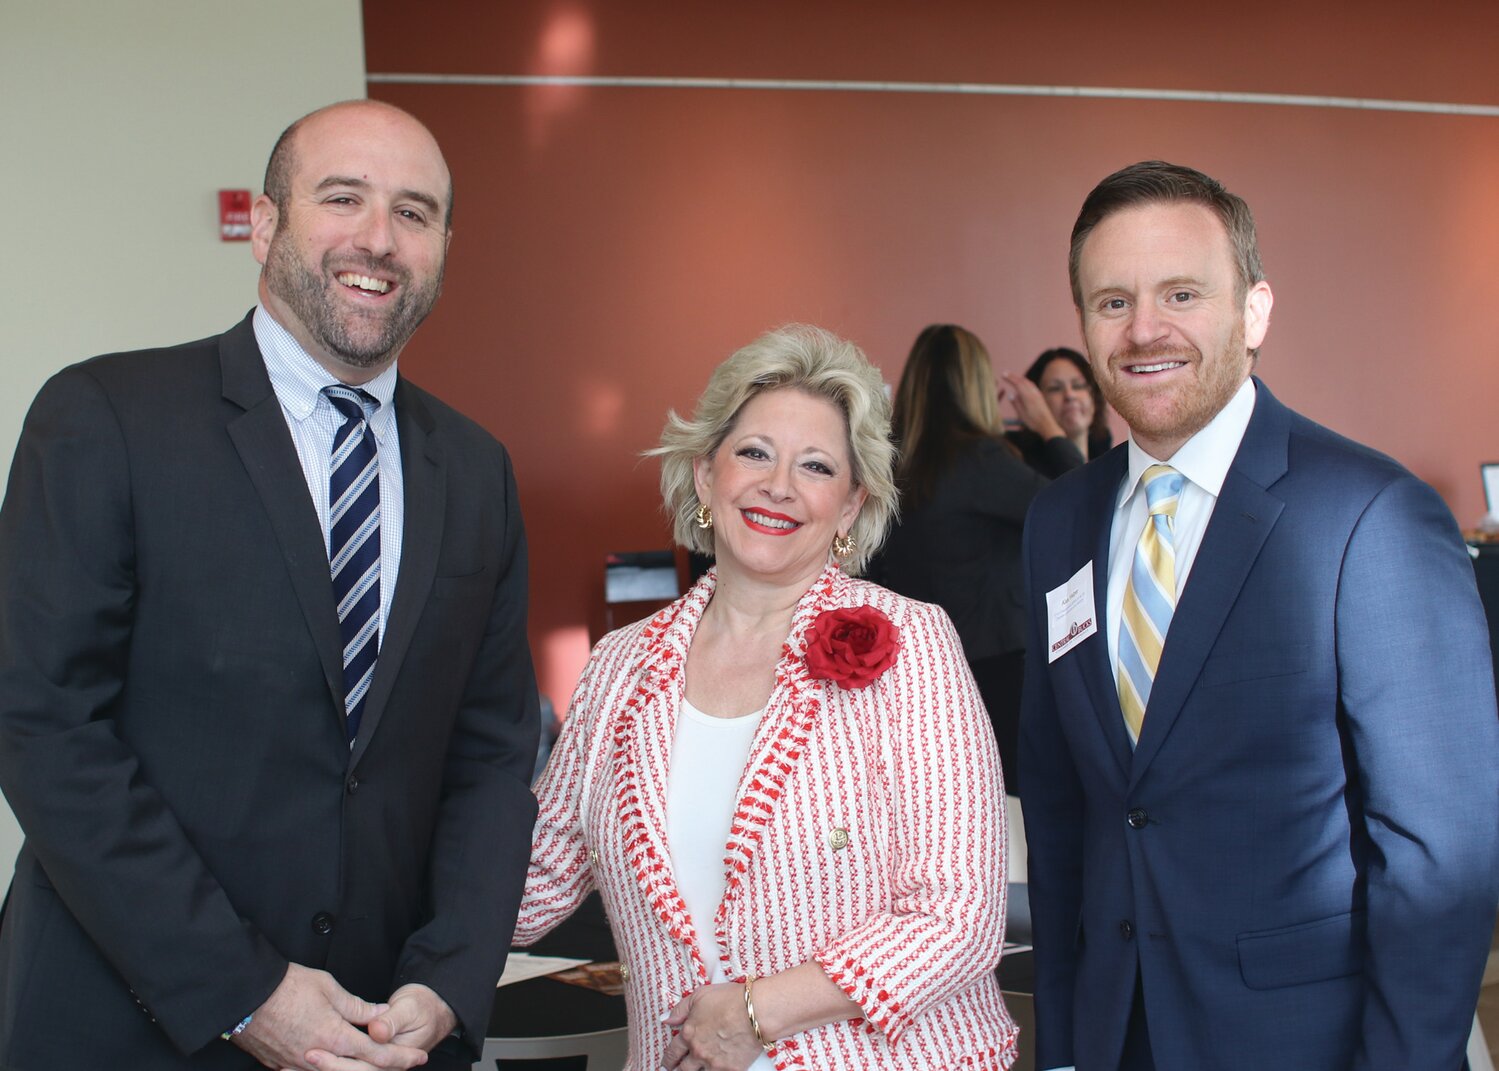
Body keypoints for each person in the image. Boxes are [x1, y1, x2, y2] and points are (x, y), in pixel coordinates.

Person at [0, 100, 540, 1071]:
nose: (378, 238)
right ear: (264, 223)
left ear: (444, 247)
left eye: (414, 213)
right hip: (130, 1023)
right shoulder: (106, 418)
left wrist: (450, 981)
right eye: (343, 198)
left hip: (384, 1036)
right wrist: (245, 991)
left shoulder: (476, 471)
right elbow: (41, 723)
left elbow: (490, 756)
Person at [1018, 159, 1499, 1071]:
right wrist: (1068, 1042)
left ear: (1255, 311)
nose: (1144, 329)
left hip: (1300, 1043)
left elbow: (1439, 857)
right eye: (1111, 301)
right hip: (1114, 1032)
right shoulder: (1057, 520)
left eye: (1182, 292)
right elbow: (1060, 802)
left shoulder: (1368, 515)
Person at [516, 325, 1017, 1070]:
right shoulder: (620, 665)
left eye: (815, 466)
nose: (777, 484)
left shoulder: (912, 644)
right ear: (703, 474)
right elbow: (537, 877)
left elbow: (958, 917)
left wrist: (753, 1012)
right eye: (753, 451)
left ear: (849, 508)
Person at [874, 323, 1054, 788]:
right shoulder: (979, 460)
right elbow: (1071, 516)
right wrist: (1051, 430)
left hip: (910, 672)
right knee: (1006, 815)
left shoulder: (889, 465)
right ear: (976, 384)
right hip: (993, 668)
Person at [1003, 347, 1112, 477]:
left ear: (1094, 398)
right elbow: (1079, 484)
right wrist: (1050, 429)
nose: (1070, 395)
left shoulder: (1109, 455)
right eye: (1055, 388)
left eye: (1078, 386)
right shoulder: (1016, 458)